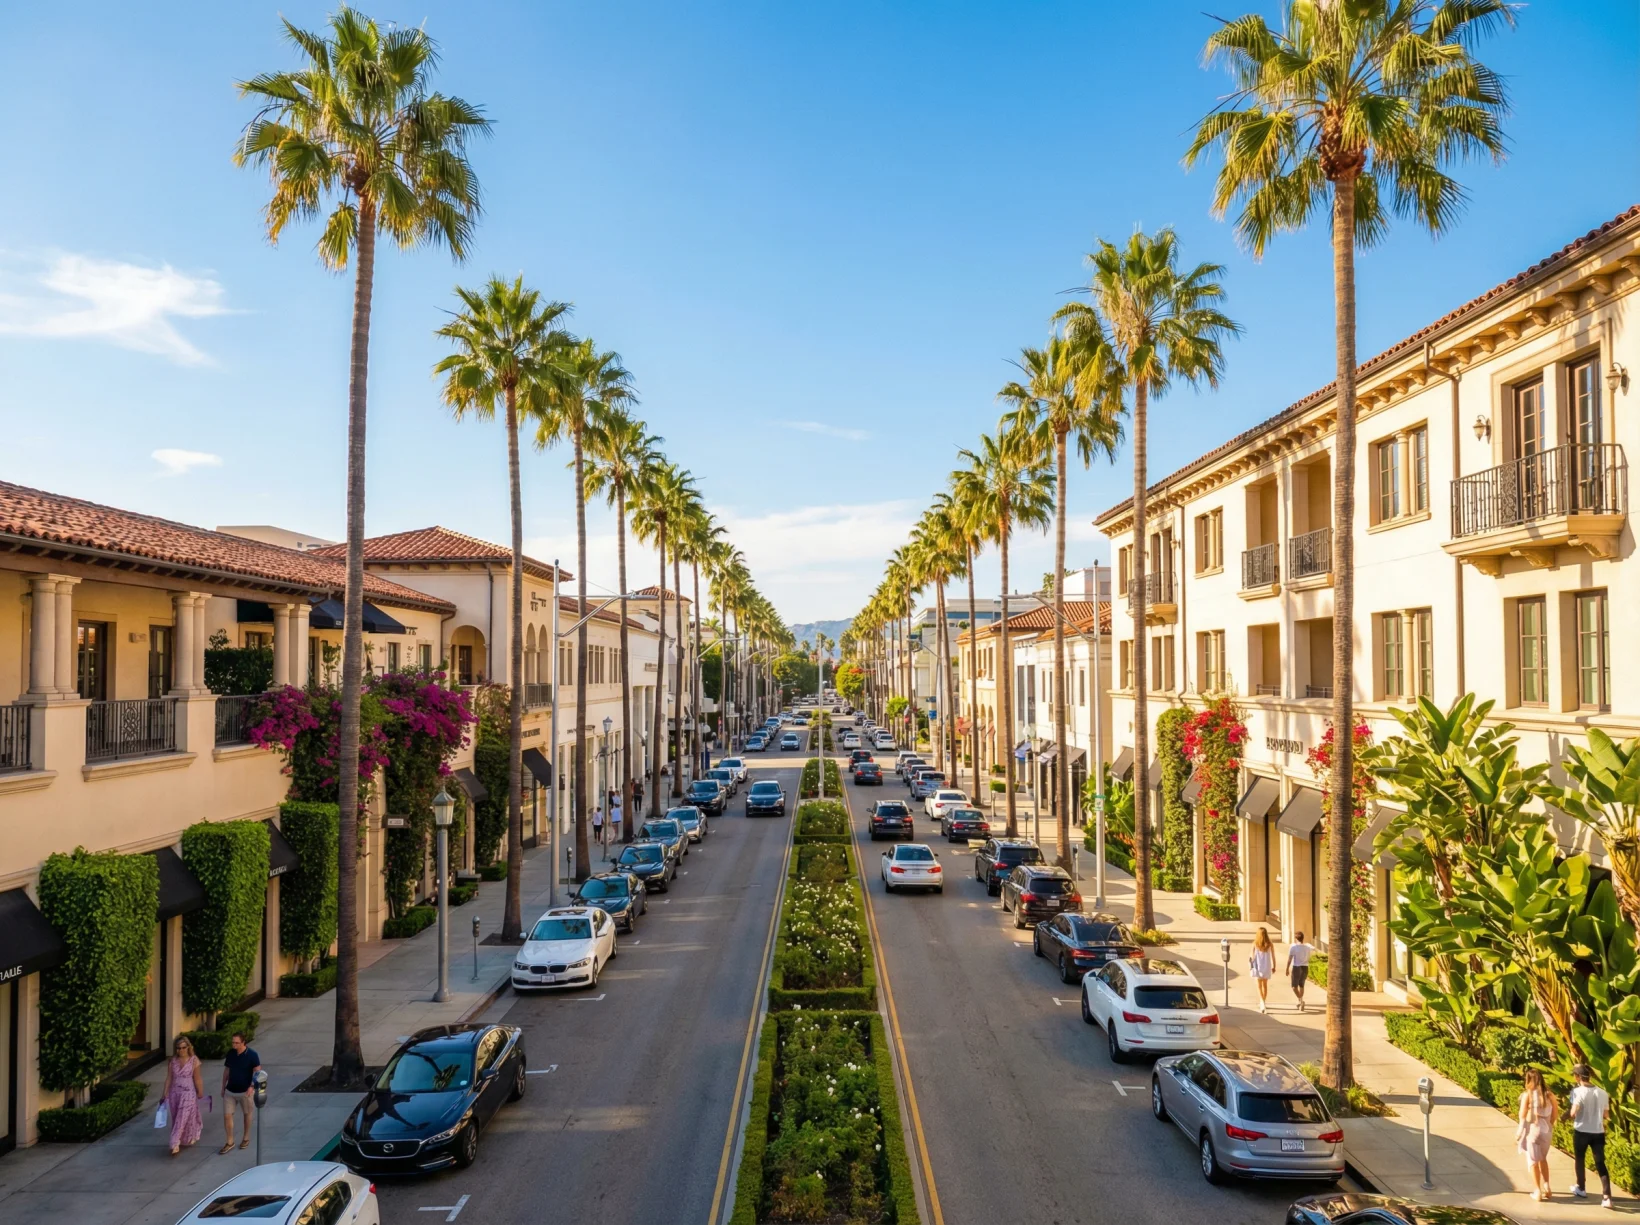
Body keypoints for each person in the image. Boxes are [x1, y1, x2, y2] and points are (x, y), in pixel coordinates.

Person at [1569, 1063, 1613, 1208]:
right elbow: (1606, 1115)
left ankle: (1581, 1188)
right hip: (1598, 1132)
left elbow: (1573, 1113)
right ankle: (1607, 1197)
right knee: (1600, 1163)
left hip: (1581, 1131)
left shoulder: (1577, 1092)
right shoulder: (1603, 1093)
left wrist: (1572, 1114)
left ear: (1577, 1077)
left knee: (1580, 1159)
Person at [1517, 1066, 1559, 1201]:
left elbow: (1522, 1115)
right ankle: (1547, 1186)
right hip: (1547, 1132)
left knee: (1533, 1161)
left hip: (1533, 1131)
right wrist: (1549, 1125)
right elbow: (1555, 1114)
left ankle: (1537, 1191)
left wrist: (1519, 1132)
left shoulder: (1527, 1095)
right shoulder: (1550, 1095)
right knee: (1543, 1159)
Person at [161, 1035, 204, 1156]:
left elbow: (197, 1078)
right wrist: (164, 1093)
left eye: (183, 1047)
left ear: (188, 1047)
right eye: (178, 1048)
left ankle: (174, 1143)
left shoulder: (194, 1060)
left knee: (182, 1117)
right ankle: (187, 1138)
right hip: (175, 1093)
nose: (181, 1050)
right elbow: (169, 1078)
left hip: (188, 1092)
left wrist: (200, 1091)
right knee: (178, 1118)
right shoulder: (172, 1061)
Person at [220, 1032, 260, 1154]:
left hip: (245, 1091)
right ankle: (230, 1141)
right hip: (230, 1090)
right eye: (233, 1042)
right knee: (227, 1115)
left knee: (247, 1114)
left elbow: (258, 1072)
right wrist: (223, 1086)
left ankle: (246, 1138)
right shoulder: (231, 1054)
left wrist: (252, 1086)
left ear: (243, 1043)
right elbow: (227, 1070)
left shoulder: (252, 1055)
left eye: (236, 1043)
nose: (234, 1045)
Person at [1286, 931, 1316, 1012]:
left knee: (1294, 986)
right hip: (1305, 967)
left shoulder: (1293, 947)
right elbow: (1314, 949)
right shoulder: (1307, 947)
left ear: (1296, 938)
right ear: (1303, 938)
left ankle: (1300, 1000)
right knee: (1301, 985)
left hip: (1297, 967)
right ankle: (1300, 1001)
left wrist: (1287, 969)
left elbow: (1289, 959)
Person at [1249, 928, 1275, 1013]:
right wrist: (1274, 966)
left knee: (1259, 986)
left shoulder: (1255, 944)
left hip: (1258, 967)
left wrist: (1250, 963)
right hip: (1266, 967)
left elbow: (1252, 957)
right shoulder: (1270, 944)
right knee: (1265, 985)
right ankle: (1263, 1001)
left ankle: (1262, 1002)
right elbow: (1273, 956)